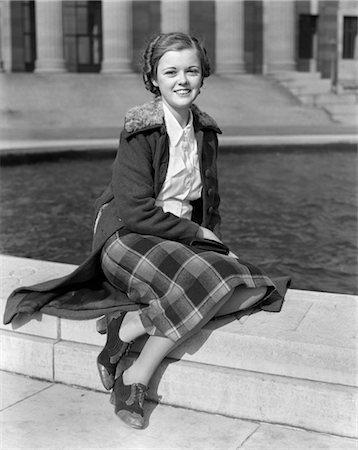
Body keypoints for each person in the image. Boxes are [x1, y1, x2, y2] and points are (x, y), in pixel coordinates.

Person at [3, 32, 290, 430]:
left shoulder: (205, 132)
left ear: (203, 75)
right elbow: (136, 211)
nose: (182, 80)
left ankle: (132, 325)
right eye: (170, 71)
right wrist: (199, 236)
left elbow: (210, 204)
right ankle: (136, 376)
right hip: (126, 237)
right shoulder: (141, 130)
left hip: (177, 238)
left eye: (191, 70)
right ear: (154, 78)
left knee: (256, 287)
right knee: (207, 284)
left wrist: (214, 243)